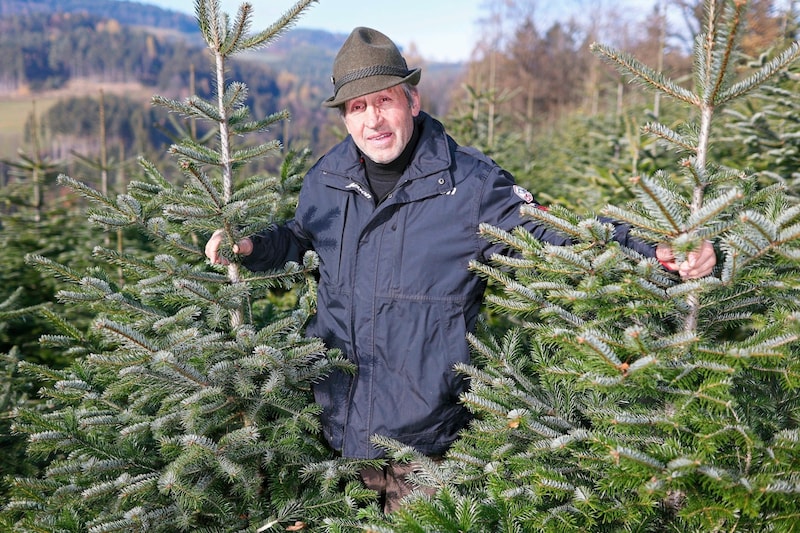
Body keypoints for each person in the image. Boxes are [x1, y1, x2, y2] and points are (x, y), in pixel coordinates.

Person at [205, 26, 717, 512]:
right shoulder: (329, 178)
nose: (372, 121)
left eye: (384, 100)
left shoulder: (470, 185)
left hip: (428, 443)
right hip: (338, 429)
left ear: (413, 101)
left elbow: (548, 234)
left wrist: (654, 249)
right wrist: (250, 246)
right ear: (344, 116)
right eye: (357, 107)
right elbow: (300, 236)